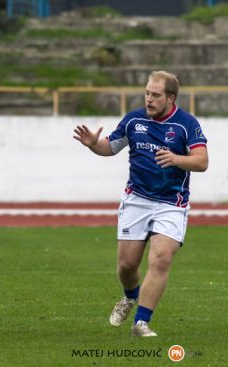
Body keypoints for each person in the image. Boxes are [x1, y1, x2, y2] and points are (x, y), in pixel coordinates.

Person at [73, 70, 208, 337]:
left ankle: (141, 322)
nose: (149, 99)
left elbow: (202, 161)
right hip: (136, 200)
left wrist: (177, 159)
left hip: (172, 203)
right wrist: (92, 144)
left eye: (155, 95)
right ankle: (130, 296)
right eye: (147, 93)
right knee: (127, 266)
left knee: (160, 259)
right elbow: (109, 147)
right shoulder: (134, 120)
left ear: (171, 98)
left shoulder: (186, 124)